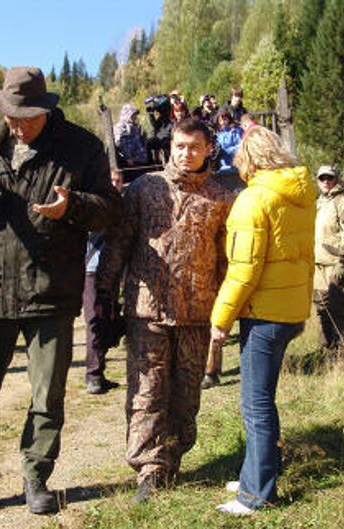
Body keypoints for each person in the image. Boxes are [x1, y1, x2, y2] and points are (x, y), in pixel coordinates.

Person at [0, 67, 118, 521]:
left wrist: (71, 205)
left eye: (27, 116)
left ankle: (36, 477)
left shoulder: (81, 148)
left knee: (47, 393)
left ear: (46, 109)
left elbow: (108, 211)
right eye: (10, 115)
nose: (17, 124)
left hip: (50, 289)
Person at [96, 118, 235, 504]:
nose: (186, 153)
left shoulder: (222, 199)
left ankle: (172, 458)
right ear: (169, 147)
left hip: (197, 312)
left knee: (185, 395)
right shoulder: (144, 189)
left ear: (208, 149)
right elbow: (119, 242)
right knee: (147, 392)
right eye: (179, 146)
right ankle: (150, 470)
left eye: (194, 146)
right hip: (147, 309)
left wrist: (229, 309)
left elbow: (228, 262)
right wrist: (104, 293)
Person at [210, 126, 315, 515]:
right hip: (290, 310)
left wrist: (220, 319)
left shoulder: (253, 201)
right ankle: (259, 470)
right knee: (263, 399)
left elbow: (243, 270)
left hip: (264, 314)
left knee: (255, 404)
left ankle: (256, 494)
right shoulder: (300, 196)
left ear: (246, 161)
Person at [82, 169, 123, 395]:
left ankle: (100, 371)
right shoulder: (94, 207)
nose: (115, 183)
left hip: (114, 271)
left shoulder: (122, 206)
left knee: (108, 318)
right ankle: (93, 375)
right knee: (95, 321)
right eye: (111, 180)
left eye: (118, 180)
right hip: (92, 271)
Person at [313, 165, 344, 352]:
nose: (326, 182)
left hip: (336, 264)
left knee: (340, 308)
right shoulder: (319, 202)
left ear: (336, 180)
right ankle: (326, 348)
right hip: (318, 265)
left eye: (329, 178)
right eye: (322, 178)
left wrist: (343, 262)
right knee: (322, 308)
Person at [113, 103, 148, 169]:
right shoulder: (120, 127)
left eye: (135, 115)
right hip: (130, 163)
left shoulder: (135, 126)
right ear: (127, 114)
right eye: (133, 114)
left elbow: (140, 142)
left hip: (140, 161)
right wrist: (127, 158)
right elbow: (119, 143)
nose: (135, 117)